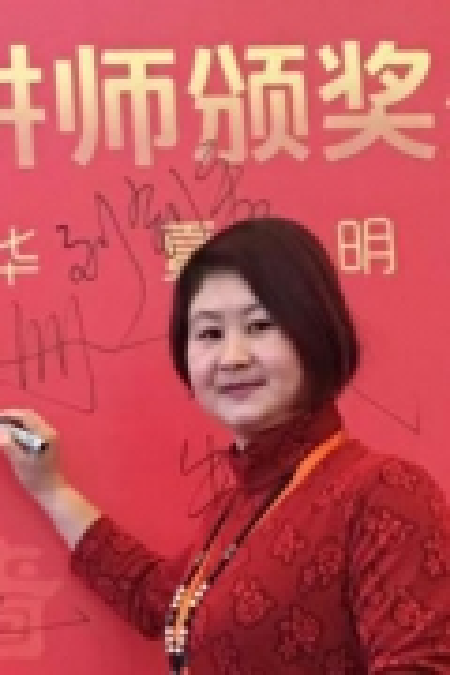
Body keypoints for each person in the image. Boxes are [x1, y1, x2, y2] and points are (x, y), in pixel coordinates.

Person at [1, 216, 449, 674]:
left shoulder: (384, 493)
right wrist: (51, 489)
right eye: (210, 334)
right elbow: (157, 600)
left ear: (315, 334)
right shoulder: (236, 510)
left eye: (260, 326)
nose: (232, 357)